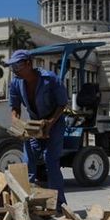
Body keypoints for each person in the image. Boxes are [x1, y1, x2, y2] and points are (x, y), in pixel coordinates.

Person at [5, 49, 68, 211]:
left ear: (28, 63)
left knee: (50, 160)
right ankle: (28, 203)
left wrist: (49, 123)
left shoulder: (50, 79)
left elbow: (62, 103)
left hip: (54, 121)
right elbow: (15, 107)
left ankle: (58, 205)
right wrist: (17, 123)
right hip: (33, 123)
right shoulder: (15, 83)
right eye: (12, 67)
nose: (15, 70)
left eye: (17, 66)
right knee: (28, 162)